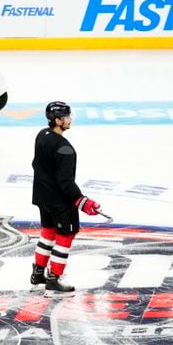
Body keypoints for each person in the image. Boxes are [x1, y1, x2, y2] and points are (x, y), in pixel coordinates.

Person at [31, 101, 103, 297]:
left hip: (42, 197)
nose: (70, 120)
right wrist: (82, 201)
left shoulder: (41, 135)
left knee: (48, 232)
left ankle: (38, 274)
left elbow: (35, 164)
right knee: (65, 236)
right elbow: (65, 182)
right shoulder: (65, 148)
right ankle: (54, 280)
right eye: (67, 117)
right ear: (57, 120)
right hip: (59, 201)